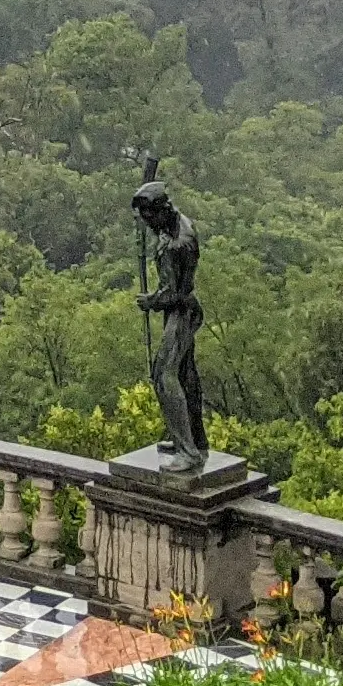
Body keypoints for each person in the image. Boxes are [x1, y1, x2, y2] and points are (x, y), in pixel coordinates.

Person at [133, 154, 210, 465]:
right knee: (185, 374)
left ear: (161, 212)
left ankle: (188, 451)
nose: (147, 226)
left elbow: (173, 293)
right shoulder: (172, 223)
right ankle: (195, 438)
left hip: (182, 310)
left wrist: (150, 301)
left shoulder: (178, 244)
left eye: (149, 219)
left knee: (164, 374)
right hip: (183, 307)